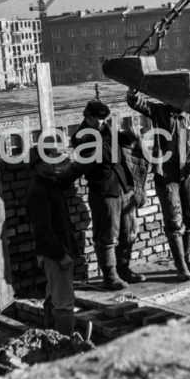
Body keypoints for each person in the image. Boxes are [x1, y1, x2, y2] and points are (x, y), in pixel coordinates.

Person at [126, 87, 190, 282]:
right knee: (174, 221)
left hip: (188, 172)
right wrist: (133, 92)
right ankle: (180, 266)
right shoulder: (159, 112)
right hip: (166, 174)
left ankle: (188, 258)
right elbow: (138, 103)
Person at [59, 99, 145, 291]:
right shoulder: (82, 137)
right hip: (104, 190)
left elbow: (124, 143)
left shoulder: (106, 129)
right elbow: (85, 162)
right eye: (96, 119)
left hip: (122, 186)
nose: (100, 123)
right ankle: (110, 276)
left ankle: (124, 270)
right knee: (106, 236)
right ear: (87, 117)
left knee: (128, 232)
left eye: (103, 119)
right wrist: (62, 179)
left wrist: (130, 134)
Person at [25, 138, 79, 335]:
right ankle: (65, 344)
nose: (55, 162)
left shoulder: (49, 184)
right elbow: (43, 230)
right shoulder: (38, 191)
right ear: (38, 165)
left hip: (54, 252)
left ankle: (50, 337)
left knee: (52, 296)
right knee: (64, 303)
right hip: (54, 254)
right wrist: (60, 255)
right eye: (50, 159)